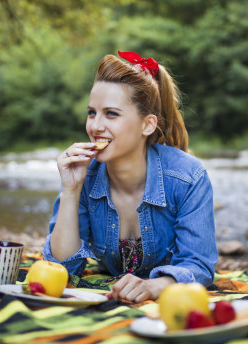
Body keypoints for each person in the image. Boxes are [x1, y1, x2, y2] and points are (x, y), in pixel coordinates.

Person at [42, 51, 217, 303]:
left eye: (111, 114)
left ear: (147, 125)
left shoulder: (188, 177)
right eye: (92, 113)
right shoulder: (84, 174)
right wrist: (71, 190)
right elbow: (62, 269)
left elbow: (199, 265)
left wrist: (155, 286)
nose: (95, 126)